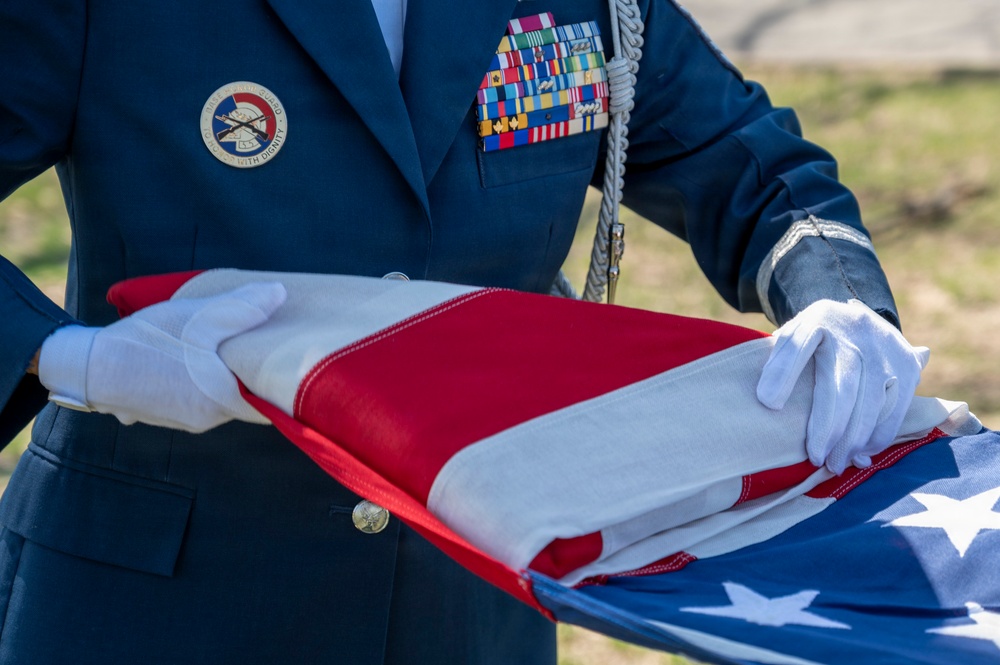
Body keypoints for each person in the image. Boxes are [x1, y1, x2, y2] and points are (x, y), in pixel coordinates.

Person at [0, 0, 926, 662]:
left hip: (467, 601)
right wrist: (70, 360)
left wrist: (836, 297)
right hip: (156, 598)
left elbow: (746, 161)